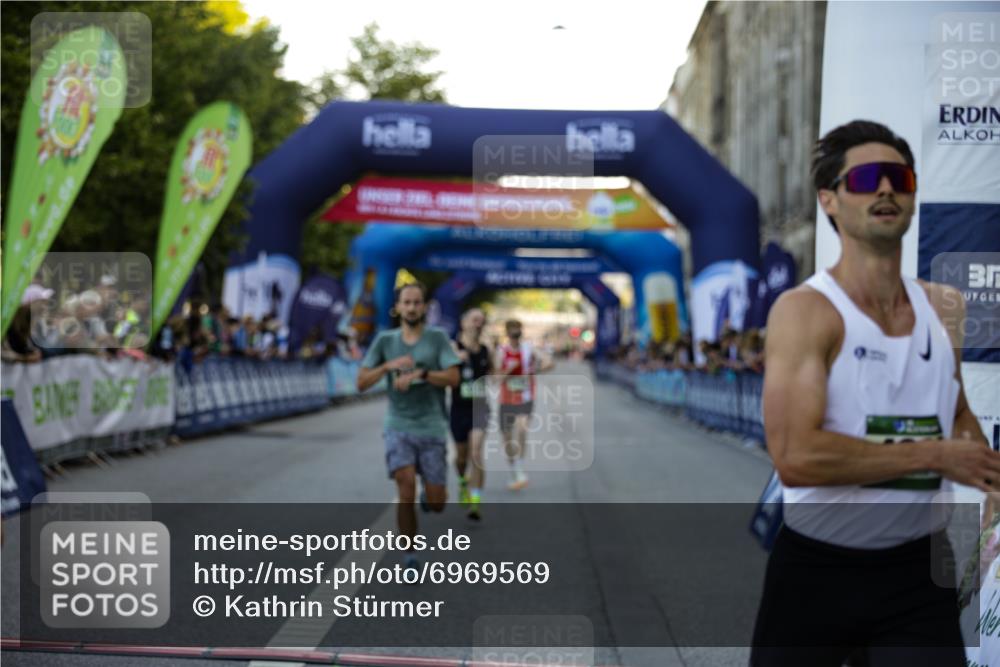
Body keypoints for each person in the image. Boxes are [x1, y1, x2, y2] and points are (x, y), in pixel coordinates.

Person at [751, 120, 994, 666]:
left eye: (899, 177)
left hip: (916, 575)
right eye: (866, 178)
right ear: (830, 200)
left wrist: (991, 481)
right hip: (817, 571)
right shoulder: (806, 311)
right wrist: (933, 455)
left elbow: (953, 410)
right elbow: (796, 458)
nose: (886, 189)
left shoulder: (945, 307)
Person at [357, 283, 460, 574]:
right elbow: (362, 383)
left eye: (417, 302)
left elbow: (453, 378)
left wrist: (424, 373)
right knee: (405, 486)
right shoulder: (385, 341)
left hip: (431, 426)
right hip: (398, 425)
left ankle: (432, 497)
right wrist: (388, 366)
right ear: (398, 307)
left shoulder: (437, 339)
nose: (412, 308)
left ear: (424, 307)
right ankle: (410, 555)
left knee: (438, 503)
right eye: (407, 302)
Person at [496, 319, 553, 491]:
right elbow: (495, 378)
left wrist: (535, 370)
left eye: (518, 328)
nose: (516, 331)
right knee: (507, 439)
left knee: (521, 430)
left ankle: (520, 469)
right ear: (507, 331)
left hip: (525, 397)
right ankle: (514, 469)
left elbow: (549, 362)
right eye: (512, 328)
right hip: (506, 399)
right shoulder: (501, 351)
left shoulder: (529, 349)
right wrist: (509, 370)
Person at [449, 308, 492, 520]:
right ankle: (463, 482)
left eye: (481, 321)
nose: (478, 324)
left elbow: (495, 373)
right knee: (461, 457)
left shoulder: (486, 349)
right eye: (474, 320)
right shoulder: (452, 347)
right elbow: (441, 369)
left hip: (480, 407)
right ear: (463, 322)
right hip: (459, 408)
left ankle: (475, 502)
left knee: (476, 452)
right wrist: (453, 358)